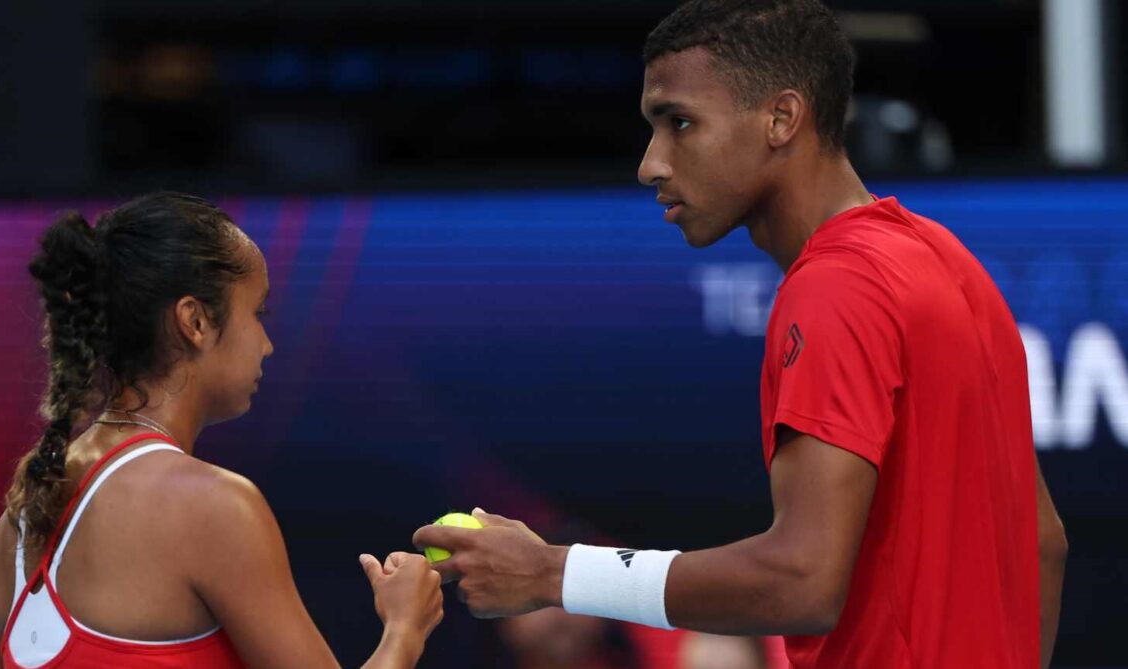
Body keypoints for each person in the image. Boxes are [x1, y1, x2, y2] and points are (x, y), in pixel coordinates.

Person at [412, 2, 1068, 667]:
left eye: (681, 123)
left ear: (781, 119)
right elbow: (1043, 542)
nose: (651, 164)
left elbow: (802, 579)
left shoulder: (836, 286)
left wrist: (552, 572)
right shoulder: (946, 258)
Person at [0, 193, 443, 668]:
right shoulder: (214, 507)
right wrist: (404, 629)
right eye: (259, 313)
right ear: (194, 321)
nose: (268, 345)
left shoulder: (24, 513)